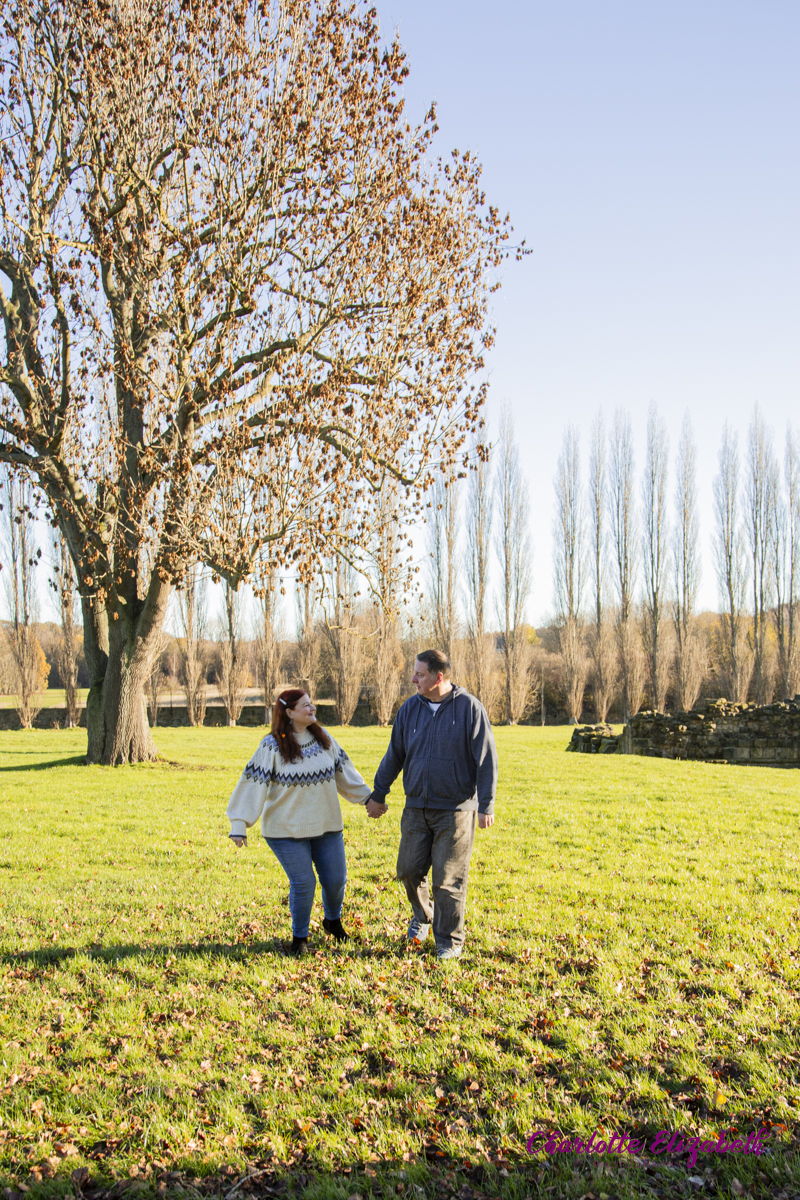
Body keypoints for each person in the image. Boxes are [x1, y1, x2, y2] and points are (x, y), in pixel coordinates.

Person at [228, 688, 386, 956]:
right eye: (305, 706)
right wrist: (239, 823)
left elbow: (346, 774)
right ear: (289, 713)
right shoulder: (272, 746)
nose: (313, 709)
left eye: (312, 704)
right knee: (304, 883)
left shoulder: (325, 741)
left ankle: (332, 921)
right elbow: (252, 783)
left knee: (336, 880)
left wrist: (369, 799)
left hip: (326, 826)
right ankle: (299, 938)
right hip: (285, 830)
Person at [366, 649, 497, 961]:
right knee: (408, 870)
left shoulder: (469, 709)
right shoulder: (409, 709)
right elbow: (394, 754)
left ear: (439, 677)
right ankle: (423, 916)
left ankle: (449, 941)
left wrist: (487, 804)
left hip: (456, 810)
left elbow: (486, 758)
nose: (413, 679)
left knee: (447, 879)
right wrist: (378, 793)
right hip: (416, 808)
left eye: (420, 674)